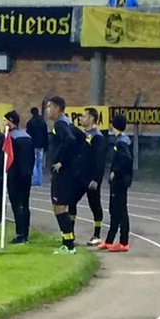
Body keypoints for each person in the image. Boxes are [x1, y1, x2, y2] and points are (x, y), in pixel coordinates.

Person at [47, 96, 86, 254]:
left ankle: (69, 244)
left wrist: (62, 161)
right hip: (68, 171)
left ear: (57, 108)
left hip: (63, 173)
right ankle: (67, 240)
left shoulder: (61, 124)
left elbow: (70, 141)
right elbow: (81, 138)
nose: (47, 110)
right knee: (59, 207)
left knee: (59, 207)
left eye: (49, 107)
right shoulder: (68, 123)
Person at [100, 112, 133, 251]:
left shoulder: (121, 142)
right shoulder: (123, 140)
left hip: (120, 181)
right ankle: (109, 240)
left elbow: (125, 158)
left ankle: (123, 242)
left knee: (120, 210)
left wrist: (116, 171)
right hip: (122, 180)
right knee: (114, 210)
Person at [3, 110, 34, 243]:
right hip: (27, 174)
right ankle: (25, 233)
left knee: (17, 205)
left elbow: (8, 157)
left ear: (11, 121)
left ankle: (20, 234)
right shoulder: (27, 136)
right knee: (25, 204)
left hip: (15, 175)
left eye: (6, 120)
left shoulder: (11, 137)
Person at [79, 107, 109, 245]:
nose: (81, 119)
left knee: (94, 204)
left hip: (91, 178)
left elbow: (100, 160)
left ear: (91, 118)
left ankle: (97, 235)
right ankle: (68, 234)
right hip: (79, 175)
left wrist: (96, 179)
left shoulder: (98, 137)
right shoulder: (81, 135)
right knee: (70, 202)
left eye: (84, 116)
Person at [26, 105, 48, 185]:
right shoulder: (43, 122)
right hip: (41, 145)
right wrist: (46, 146)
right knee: (40, 163)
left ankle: (35, 180)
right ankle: (40, 180)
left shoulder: (30, 122)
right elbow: (45, 134)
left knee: (34, 162)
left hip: (33, 145)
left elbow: (28, 135)